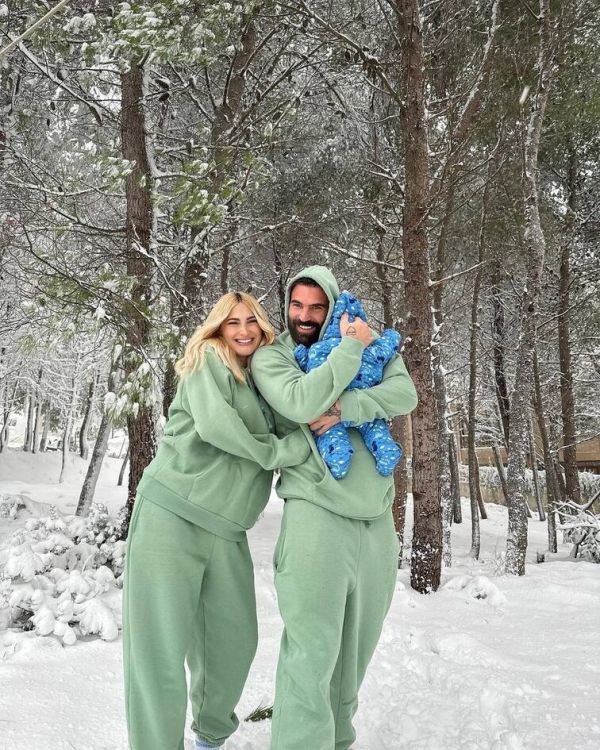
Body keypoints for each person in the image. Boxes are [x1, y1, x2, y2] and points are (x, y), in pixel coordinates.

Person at [122, 292, 311, 750]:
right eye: (232, 322)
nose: (243, 330)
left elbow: (298, 421)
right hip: (173, 514)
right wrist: (279, 451)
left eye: (251, 321)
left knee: (233, 642)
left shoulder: (265, 378)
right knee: (160, 649)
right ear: (218, 329)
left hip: (228, 530)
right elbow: (216, 426)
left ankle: (210, 737)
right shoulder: (209, 358)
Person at [251, 266, 418, 750]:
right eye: (296, 305)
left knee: (355, 654)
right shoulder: (274, 355)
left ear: (332, 306)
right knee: (312, 652)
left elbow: (404, 393)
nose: (304, 316)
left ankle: (337, 741)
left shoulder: (366, 336)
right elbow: (301, 402)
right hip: (316, 512)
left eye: (316, 307)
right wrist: (349, 350)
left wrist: (347, 407)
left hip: (376, 519)